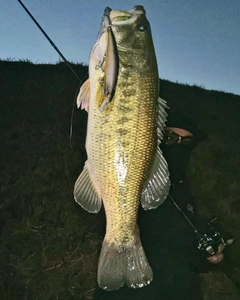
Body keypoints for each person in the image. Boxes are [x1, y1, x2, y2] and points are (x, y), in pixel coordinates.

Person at [94, 110, 225, 300]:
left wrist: (209, 257)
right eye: (170, 137)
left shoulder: (185, 192)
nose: (178, 146)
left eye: (187, 142)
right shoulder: (132, 179)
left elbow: (184, 253)